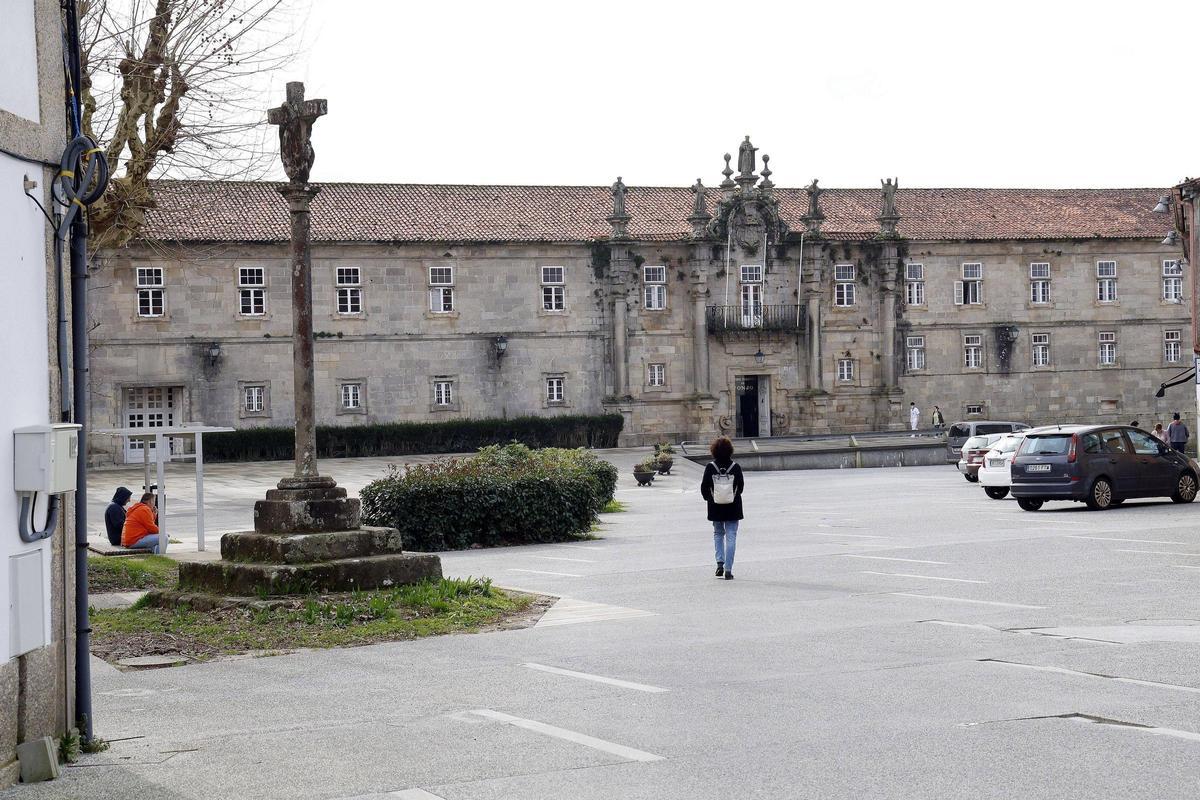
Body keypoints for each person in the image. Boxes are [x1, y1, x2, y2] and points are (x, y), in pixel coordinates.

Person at [700, 436, 744, 581]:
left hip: (716, 507)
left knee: (718, 534)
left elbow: (704, 488)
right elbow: (741, 488)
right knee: (731, 535)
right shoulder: (735, 467)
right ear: (730, 450)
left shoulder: (710, 467)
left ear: (714, 450)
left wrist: (710, 500)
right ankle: (728, 569)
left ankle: (720, 562)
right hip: (733, 507)